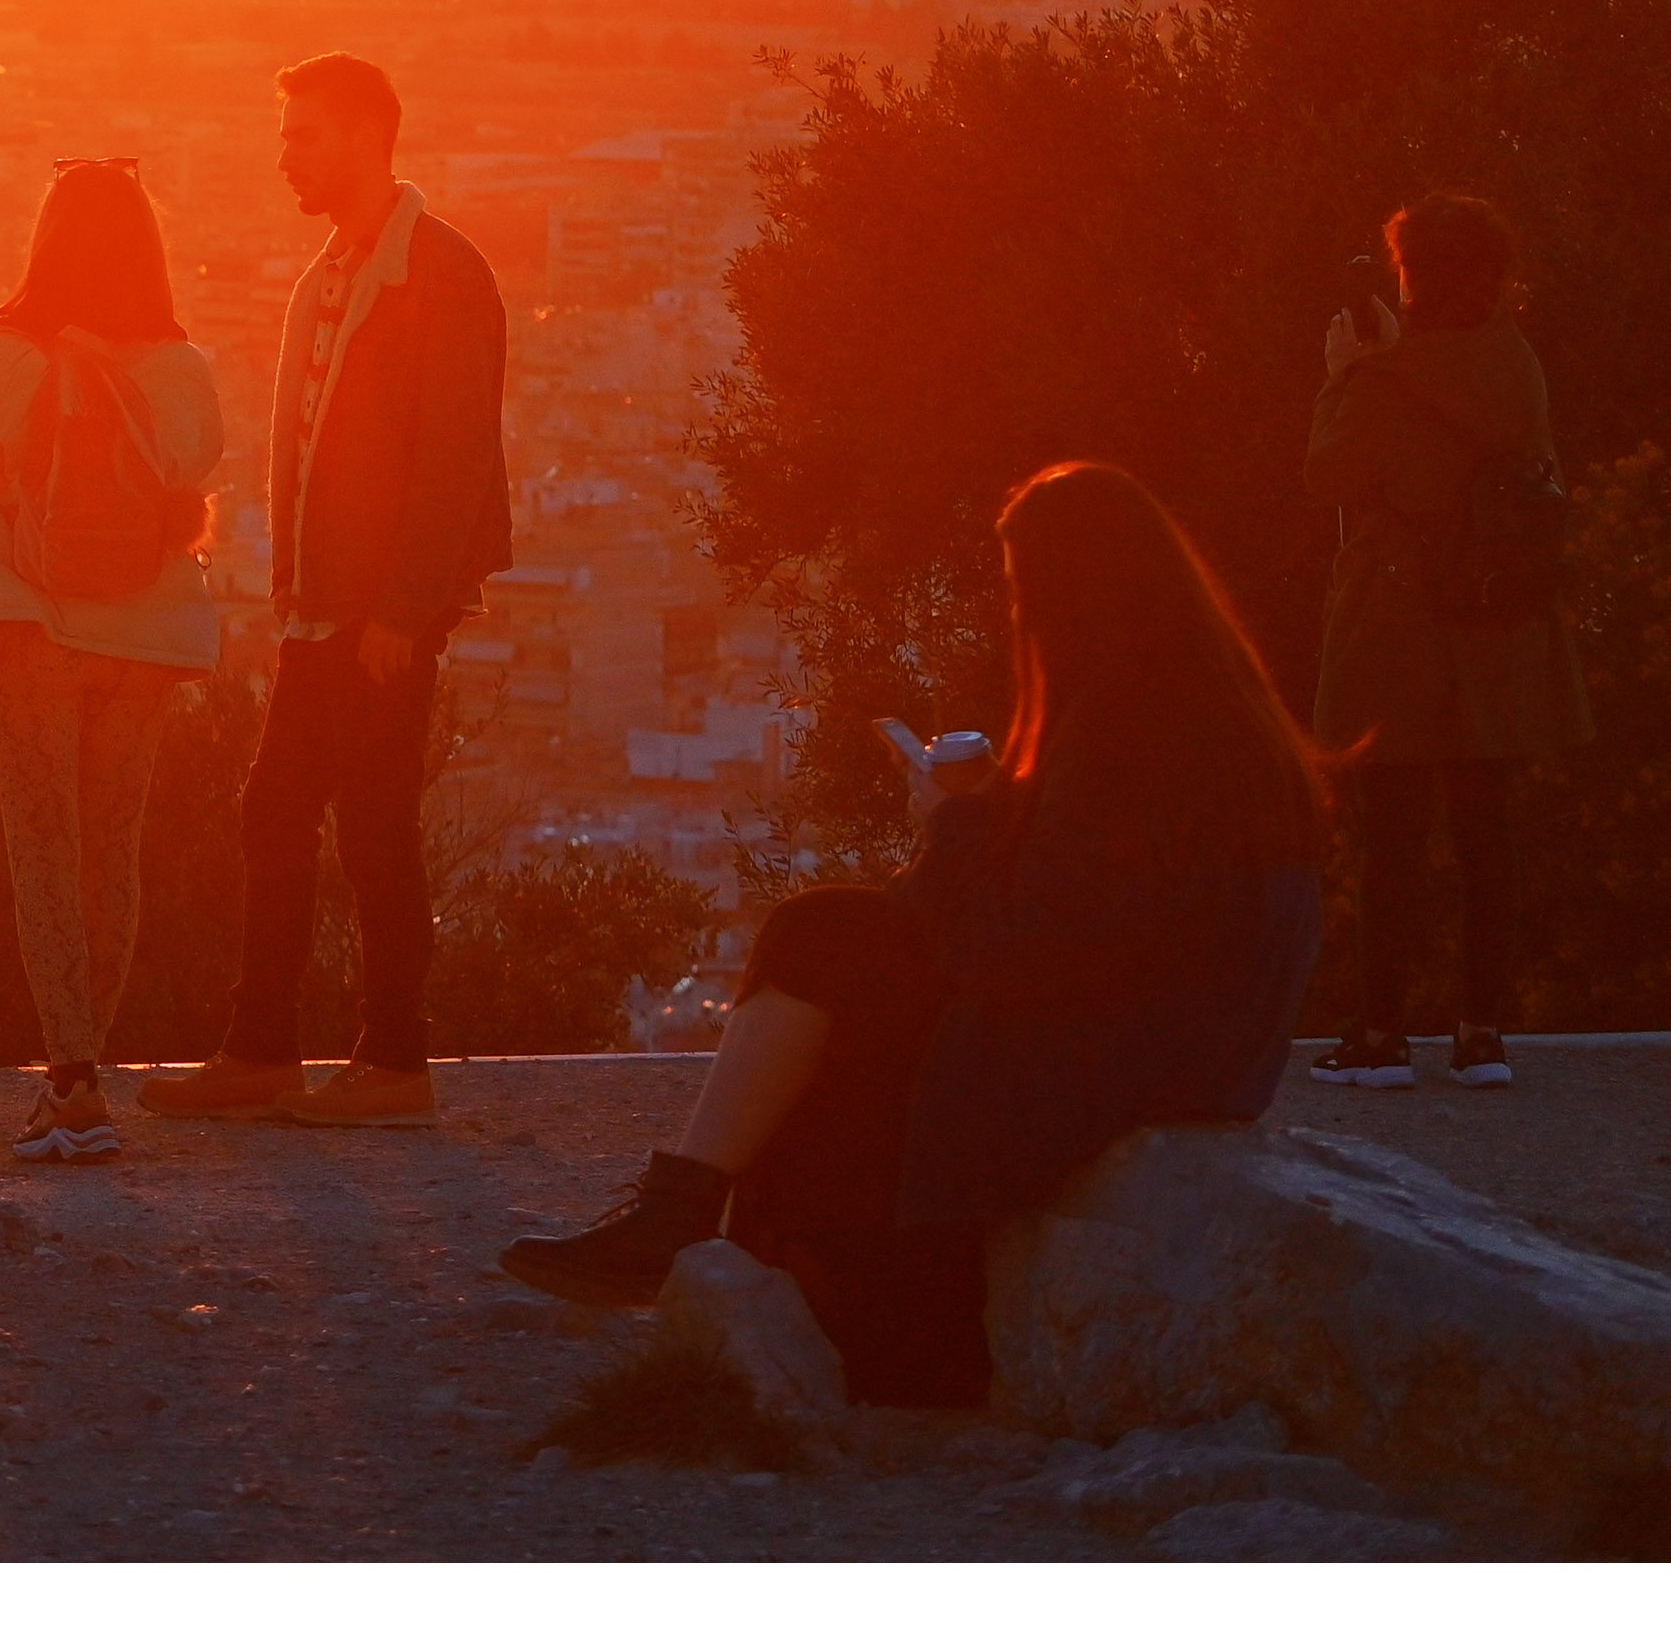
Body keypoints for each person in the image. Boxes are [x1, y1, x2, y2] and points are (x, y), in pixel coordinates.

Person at [495, 461, 1325, 1406]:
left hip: (1122, 1051)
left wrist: (956, 823)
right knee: (836, 938)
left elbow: (1015, 952)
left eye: (1024, 594)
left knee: (823, 944)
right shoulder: (1204, 714)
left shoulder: (1128, 735)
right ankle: (683, 1213)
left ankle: (715, 1235)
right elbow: (1087, 916)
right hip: (1181, 1041)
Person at [146, 52, 507, 1131]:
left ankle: (384, 1055)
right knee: (288, 811)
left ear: (361, 135)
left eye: (303, 133)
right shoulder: (337, 271)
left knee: (370, 822)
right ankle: (274, 1048)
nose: (285, 154)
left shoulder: (437, 271)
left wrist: (404, 606)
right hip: (326, 602)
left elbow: (454, 451)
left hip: (378, 609)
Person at [0, 156, 223, 1163]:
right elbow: (196, 467)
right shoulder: (182, 367)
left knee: (44, 844)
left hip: (25, 623)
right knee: (110, 848)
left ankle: (72, 1081)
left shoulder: (8, 355)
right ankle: (87, 1073)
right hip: (146, 634)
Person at [1303, 193, 1589, 1092]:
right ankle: (1482, 1035)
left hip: (1397, 626)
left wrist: (1344, 373)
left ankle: (1382, 1036)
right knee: (1485, 837)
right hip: (1499, 624)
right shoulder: (1516, 361)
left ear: (1409, 268)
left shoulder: (1385, 367)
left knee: (1390, 839)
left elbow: (1329, 473)